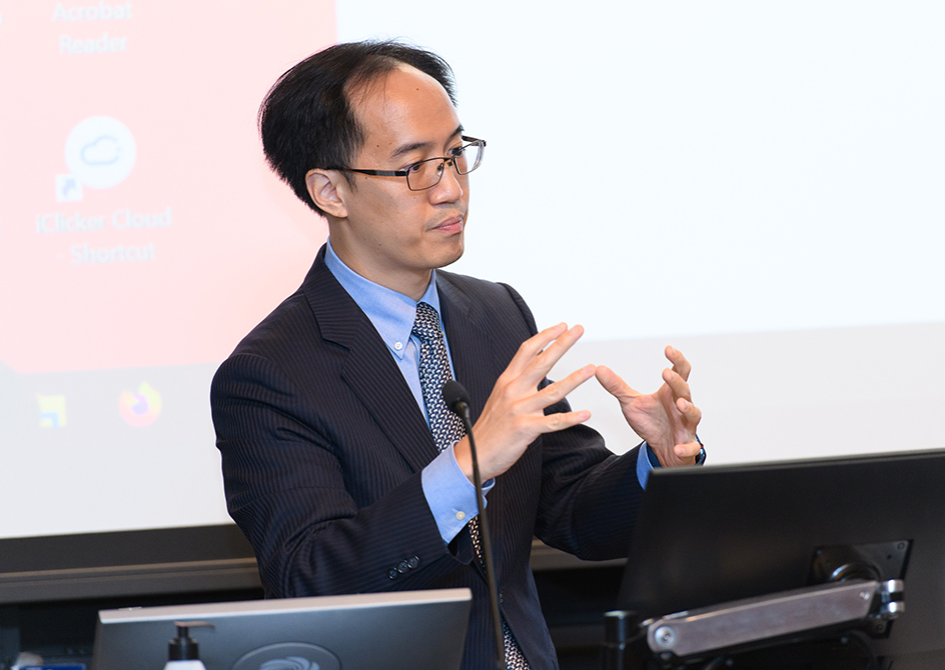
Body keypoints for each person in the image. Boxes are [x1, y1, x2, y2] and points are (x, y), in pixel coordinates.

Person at [210, 40, 704, 670]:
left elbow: (574, 512)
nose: (449, 189)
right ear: (330, 191)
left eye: (455, 155)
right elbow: (311, 577)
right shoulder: (270, 375)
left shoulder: (495, 315)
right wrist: (466, 466)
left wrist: (656, 463)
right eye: (415, 166)